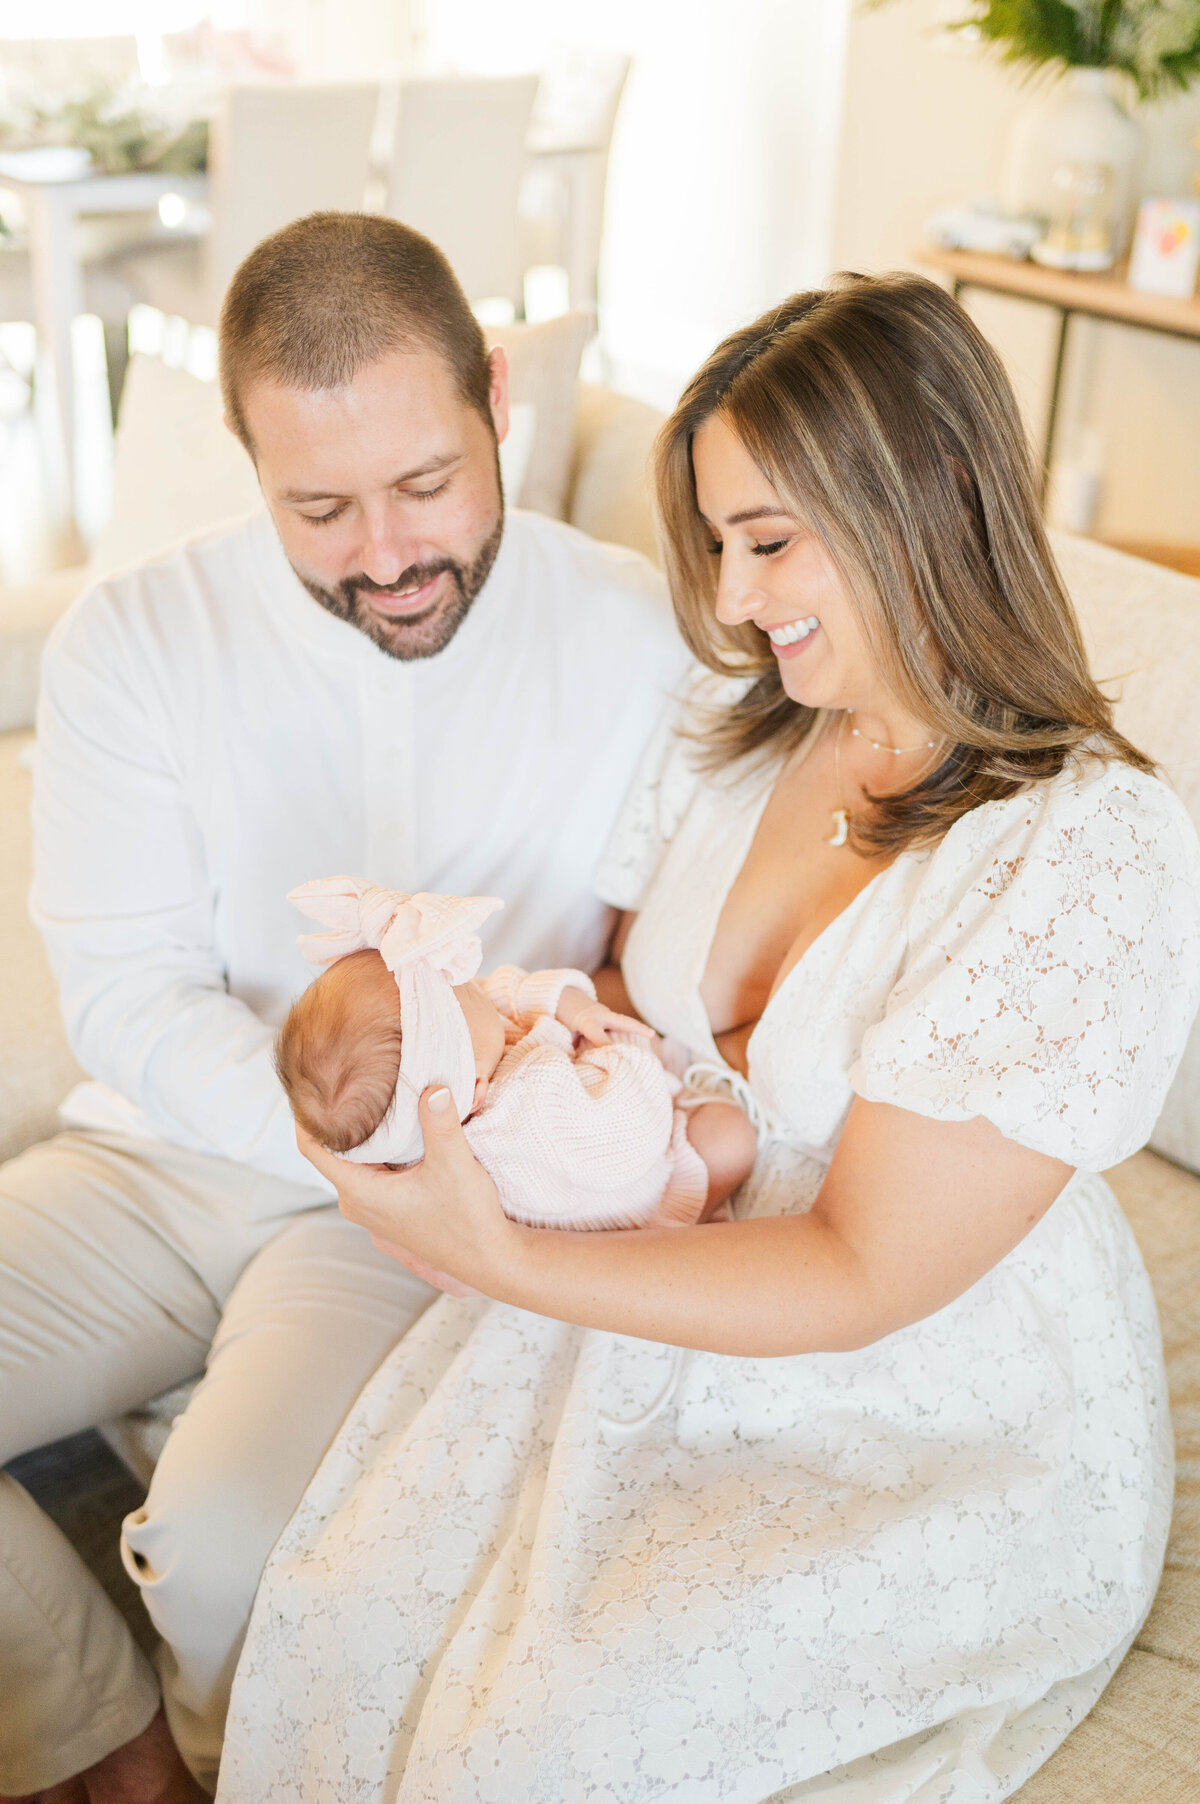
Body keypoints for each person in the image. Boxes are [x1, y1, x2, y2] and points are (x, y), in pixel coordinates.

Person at [216, 274, 1200, 1804]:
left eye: (769, 541)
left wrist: (505, 1257)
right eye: (722, 546)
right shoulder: (736, 733)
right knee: (350, 1603)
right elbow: (615, 997)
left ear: (929, 492)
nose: (736, 600)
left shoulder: (1086, 849)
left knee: (539, 1736)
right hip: (650, 1270)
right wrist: (463, 1042)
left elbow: (868, 1272)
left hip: (916, 1396)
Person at [0, 212, 685, 1801]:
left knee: (235, 1554)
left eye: (426, 484)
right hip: (164, 1153)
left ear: (495, 393)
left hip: (421, 1212)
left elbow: (669, 964)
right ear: (245, 460)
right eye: (318, 507)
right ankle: (106, 1744)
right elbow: (124, 992)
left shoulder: (638, 632)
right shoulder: (135, 641)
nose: (386, 553)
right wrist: (322, 1138)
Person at [275, 879, 756, 1246]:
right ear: (478, 1087)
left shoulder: (452, 1084)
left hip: (582, 1182)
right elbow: (632, 1129)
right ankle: (680, 1224)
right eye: (461, 987)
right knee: (729, 1135)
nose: (474, 980)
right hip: (638, 1189)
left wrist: (578, 1010)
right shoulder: (529, 1103)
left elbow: (510, 991)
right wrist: (613, 1051)